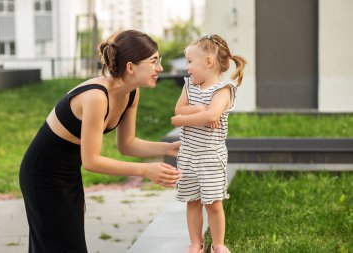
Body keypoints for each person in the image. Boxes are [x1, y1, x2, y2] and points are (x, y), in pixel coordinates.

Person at [19, 29, 181, 253]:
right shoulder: (96, 96)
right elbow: (92, 160)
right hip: (41, 173)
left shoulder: (131, 93)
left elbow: (127, 144)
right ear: (130, 67)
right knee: (59, 245)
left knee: (67, 243)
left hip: (68, 172)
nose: (160, 68)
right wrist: (146, 170)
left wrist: (168, 148)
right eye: (154, 61)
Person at [171, 35, 246, 253]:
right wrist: (199, 110)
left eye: (190, 62)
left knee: (213, 203)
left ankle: (218, 244)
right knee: (192, 201)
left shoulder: (224, 89)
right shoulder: (188, 85)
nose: (187, 68)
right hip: (188, 154)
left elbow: (212, 116)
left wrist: (182, 120)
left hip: (210, 157)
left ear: (208, 62)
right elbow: (179, 110)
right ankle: (196, 243)